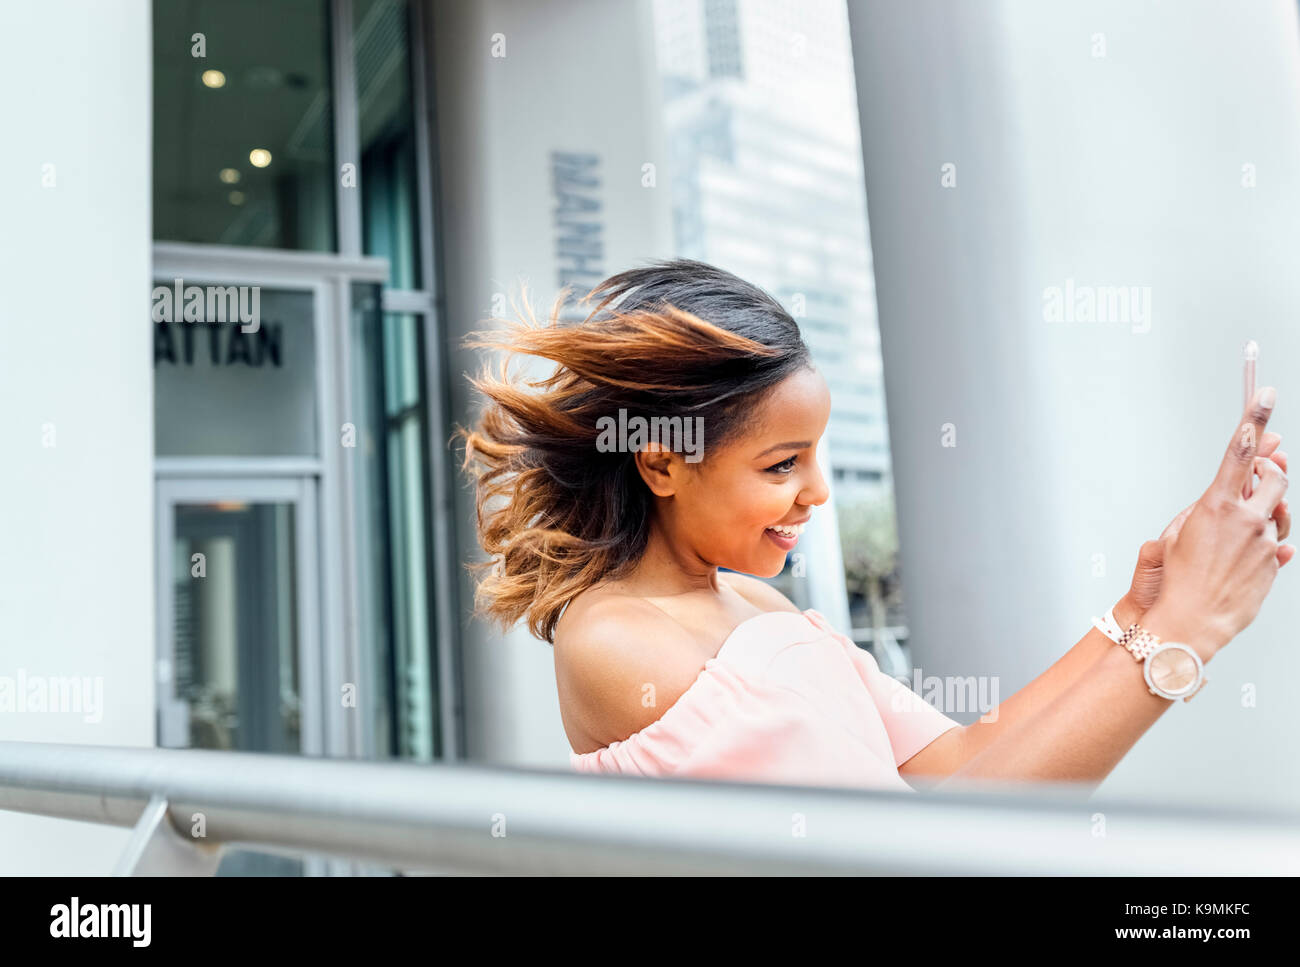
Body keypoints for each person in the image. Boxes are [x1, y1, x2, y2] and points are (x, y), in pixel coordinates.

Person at [457, 258, 1291, 793]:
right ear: (664, 462)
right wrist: (1192, 629)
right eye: (781, 465)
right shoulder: (615, 642)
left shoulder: (757, 608)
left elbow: (956, 773)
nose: (816, 492)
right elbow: (924, 852)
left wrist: (1145, 611)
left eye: (813, 457)